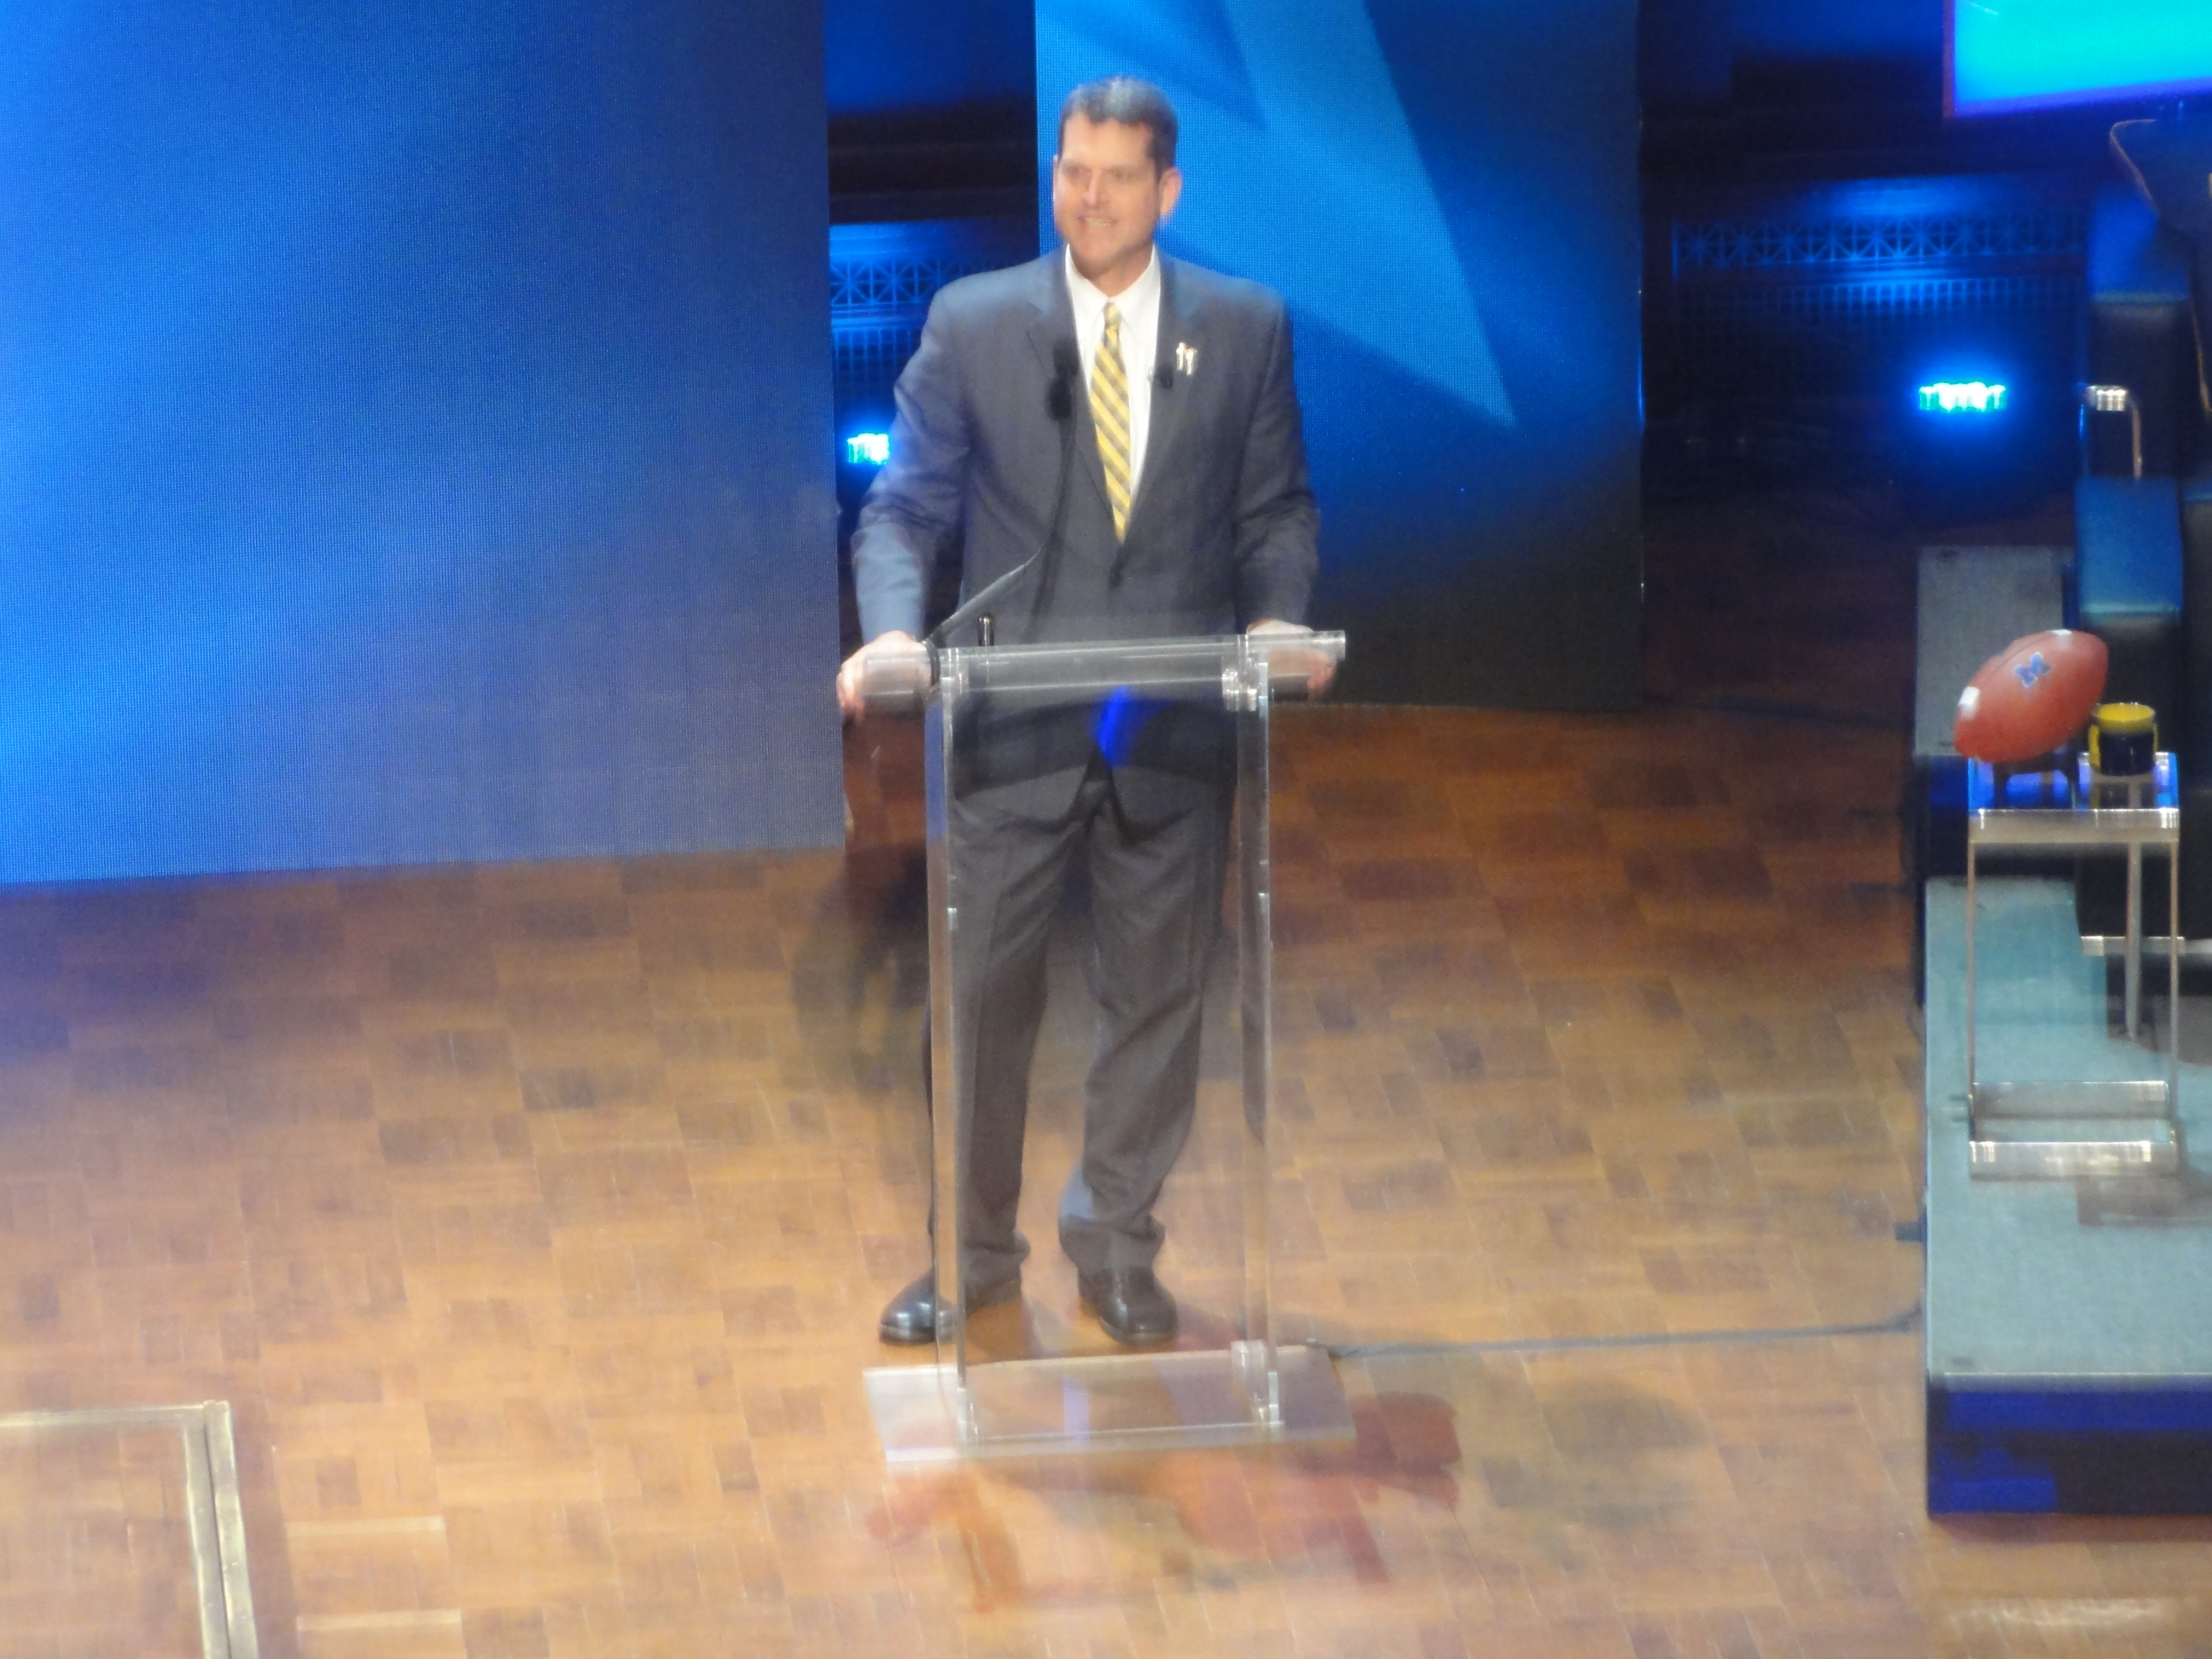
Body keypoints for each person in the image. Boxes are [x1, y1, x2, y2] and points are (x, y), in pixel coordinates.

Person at [837, 76, 1325, 1347]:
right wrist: (892, 631)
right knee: (982, 1004)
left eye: (1115, 178)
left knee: (1158, 1000)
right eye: (1073, 172)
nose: (1089, 198)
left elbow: (1275, 510)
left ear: (1168, 190)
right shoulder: (976, 322)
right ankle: (971, 1256)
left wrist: (1278, 618)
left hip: (1173, 723)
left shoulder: (1246, 328)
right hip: (1011, 726)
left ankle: (1115, 1244)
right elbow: (904, 509)